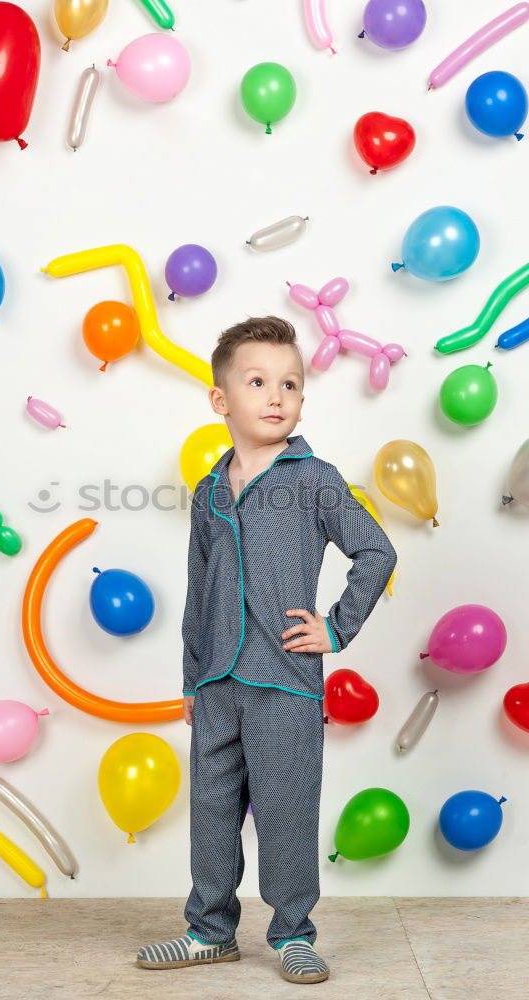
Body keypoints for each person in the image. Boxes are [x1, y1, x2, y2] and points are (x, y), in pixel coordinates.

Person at [137, 316, 397, 984]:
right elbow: (200, 591)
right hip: (218, 683)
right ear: (222, 401)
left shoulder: (314, 478)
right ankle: (209, 931)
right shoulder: (208, 491)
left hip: (286, 680)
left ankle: (291, 934)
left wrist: (335, 629)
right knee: (212, 812)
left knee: (285, 809)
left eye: (290, 383)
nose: (277, 395)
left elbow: (377, 550)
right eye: (258, 382)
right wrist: (193, 681)